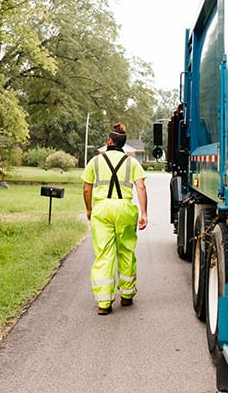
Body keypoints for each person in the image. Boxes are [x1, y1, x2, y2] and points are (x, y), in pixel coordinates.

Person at [82, 122, 148, 315]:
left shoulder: (94, 161)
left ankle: (104, 302)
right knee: (126, 251)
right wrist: (144, 213)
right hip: (125, 209)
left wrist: (89, 209)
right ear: (124, 144)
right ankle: (127, 295)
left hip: (101, 210)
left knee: (104, 253)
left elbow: (87, 188)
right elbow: (141, 188)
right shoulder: (132, 163)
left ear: (109, 141)